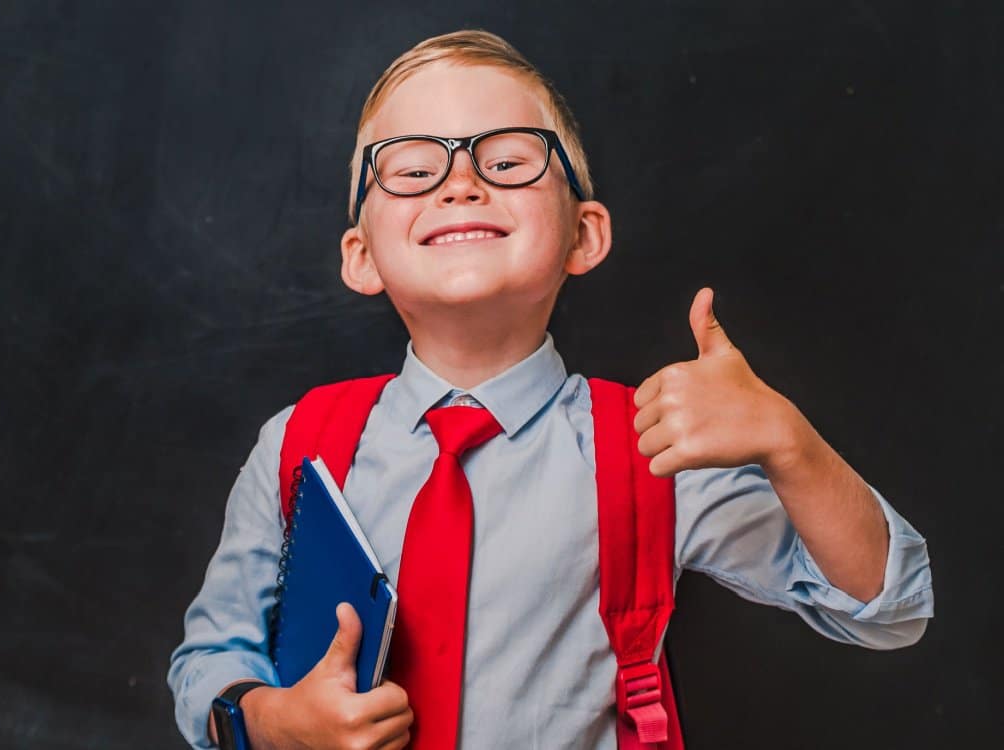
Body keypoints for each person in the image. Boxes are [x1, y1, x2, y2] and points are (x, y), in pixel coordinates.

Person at [166, 29, 934, 749]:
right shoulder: (297, 443)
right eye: (410, 169)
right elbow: (208, 661)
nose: (460, 183)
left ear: (584, 234)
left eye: (507, 162)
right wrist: (272, 721)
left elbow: (888, 607)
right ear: (361, 256)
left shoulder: (653, 445)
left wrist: (789, 443)